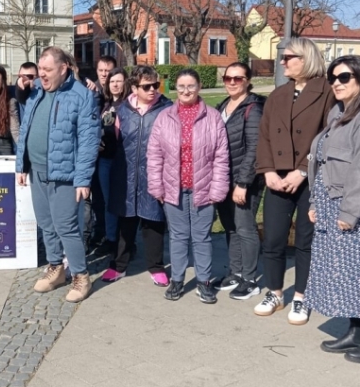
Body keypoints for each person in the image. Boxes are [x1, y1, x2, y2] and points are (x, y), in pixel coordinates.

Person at [305, 55, 360, 363]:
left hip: (351, 209)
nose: (336, 83)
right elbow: (322, 162)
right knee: (337, 273)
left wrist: (349, 213)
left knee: (355, 275)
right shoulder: (338, 114)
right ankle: (356, 332)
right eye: (333, 77)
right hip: (330, 204)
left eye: (344, 77)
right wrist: (316, 203)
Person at [255, 37, 336, 324]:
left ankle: (301, 297)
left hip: (310, 179)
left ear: (305, 59)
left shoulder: (327, 93)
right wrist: (267, 172)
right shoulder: (278, 94)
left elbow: (328, 137)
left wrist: (301, 170)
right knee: (274, 238)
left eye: (288, 57)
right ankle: (275, 292)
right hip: (276, 178)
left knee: (305, 240)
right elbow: (264, 137)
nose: (282, 62)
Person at [15, 46, 100, 303]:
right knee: (46, 223)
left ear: (64, 69)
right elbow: (26, 128)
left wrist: (83, 178)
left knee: (66, 227)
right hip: (38, 170)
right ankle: (56, 269)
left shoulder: (82, 96)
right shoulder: (37, 92)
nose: (42, 75)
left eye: (48, 70)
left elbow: (88, 140)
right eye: (40, 69)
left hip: (66, 175)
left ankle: (81, 276)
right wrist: (22, 165)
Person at [147, 69, 229, 304]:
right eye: (181, 86)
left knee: (202, 237)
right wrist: (157, 187)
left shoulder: (212, 117)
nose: (186, 90)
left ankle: (203, 281)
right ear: (175, 88)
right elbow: (154, 155)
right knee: (179, 236)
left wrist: (217, 190)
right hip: (173, 188)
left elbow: (221, 157)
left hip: (203, 188)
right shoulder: (165, 117)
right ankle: (178, 280)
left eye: (191, 86)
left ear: (199, 86)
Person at [103, 66, 172, 285]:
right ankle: (119, 265)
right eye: (146, 86)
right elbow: (115, 140)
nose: (153, 90)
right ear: (134, 87)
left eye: (155, 85)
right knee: (126, 220)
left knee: (153, 221)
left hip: (155, 174)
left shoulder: (167, 108)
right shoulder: (122, 110)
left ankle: (156, 266)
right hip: (126, 172)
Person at [213, 62, 266, 300]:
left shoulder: (253, 108)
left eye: (238, 78)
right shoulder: (223, 105)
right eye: (228, 78)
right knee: (230, 227)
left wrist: (243, 183)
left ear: (247, 80)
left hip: (244, 180)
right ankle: (235, 272)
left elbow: (255, 148)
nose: (232, 82)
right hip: (223, 178)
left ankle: (250, 278)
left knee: (245, 228)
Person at [94, 67, 127, 252]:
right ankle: (111, 237)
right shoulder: (106, 104)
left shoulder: (128, 105)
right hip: (104, 159)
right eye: (112, 81)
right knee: (108, 202)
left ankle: (124, 240)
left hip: (121, 160)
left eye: (119, 81)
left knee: (121, 201)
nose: (115, 84)